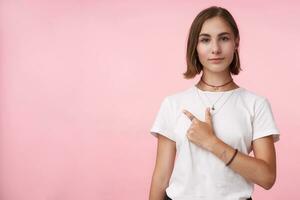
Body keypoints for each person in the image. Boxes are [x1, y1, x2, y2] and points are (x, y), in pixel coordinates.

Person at [148, 6, 280, 200]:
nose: (215, 49)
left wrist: (211, 142)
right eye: (205, 40)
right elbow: (160, 179)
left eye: (224, 38)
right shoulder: (173, 104)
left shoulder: (256, 104)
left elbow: (267, 177)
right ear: (195, 46)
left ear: (236, 42)